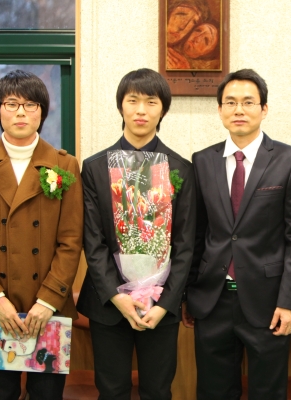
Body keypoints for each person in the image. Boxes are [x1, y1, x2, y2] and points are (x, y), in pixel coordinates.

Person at [182, 68, 291, 399]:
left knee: (267, 392)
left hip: (268, 302)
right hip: (213, 300)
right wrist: (189, 295)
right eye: (230, 102)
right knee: (212, 392)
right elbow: (197, 234)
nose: (238, 109)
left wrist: (290, 302)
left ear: (264, 109)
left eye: (248, 102)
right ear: (220, 110)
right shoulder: (202, 161)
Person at [0, 69, 83, 400]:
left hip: (49, 309)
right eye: (11, 104)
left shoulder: (64, 166)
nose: (21, 112)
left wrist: (48, 300)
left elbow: (71, 241)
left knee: (48, 396)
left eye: (31, 105)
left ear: (42, 111)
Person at [76, 68, 195, 400]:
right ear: (121, 106)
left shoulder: (180, 168)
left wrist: (166, 302)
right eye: (133, 100)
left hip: (160, 305)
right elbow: (93, 240)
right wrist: (117, 296)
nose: (141, 110)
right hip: (109, 305)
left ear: (163, 109)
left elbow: (186, 244)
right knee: (111, 390)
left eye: (151, 102)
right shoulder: (95, 167)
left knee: (158, 390)